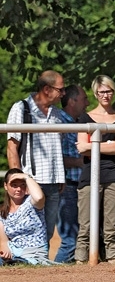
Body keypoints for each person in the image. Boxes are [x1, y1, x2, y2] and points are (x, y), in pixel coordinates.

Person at [6, 70, 66, 245]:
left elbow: (58, 147)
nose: (63, 94)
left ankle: (40, 269)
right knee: (26, 230)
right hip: (31, 182)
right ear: (47, 89)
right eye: (60, 90)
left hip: (54, 182)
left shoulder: (57, 113)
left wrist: (61, 176)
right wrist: (18, 179)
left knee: (47, 232)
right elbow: (12, 147)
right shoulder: (21, 108)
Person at [75, 75, 115, 265]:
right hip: (90, 176)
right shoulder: (85, 117)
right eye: (101, 91)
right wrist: (108, 144)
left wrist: (92, 146)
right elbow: (81, 148)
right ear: (95, 93)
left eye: (109, 91)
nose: (105, 95)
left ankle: (113, 264)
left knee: (112, 227)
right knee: (86, 227)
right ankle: (81, 264)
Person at [55, 85, 89, 263]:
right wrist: (83, 162)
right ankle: (53, 275)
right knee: (71, 241)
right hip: (67, 185)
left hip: (78, 185)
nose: (88, 103)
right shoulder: (59, 123)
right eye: (84, 98)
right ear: (71, 101)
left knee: (77, 240)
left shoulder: (77, 123)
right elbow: (55, 157)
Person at [0, 168, 56, 266]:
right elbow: (4, 243)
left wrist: (26, 177)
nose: (19, 189)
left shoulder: (32, 202)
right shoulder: (2, 212)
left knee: (19, 263)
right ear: (6, 186)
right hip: (13, 253)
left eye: (22, 185)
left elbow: (39, 197)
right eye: (14, 185)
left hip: (34, 254)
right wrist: (4, 252)